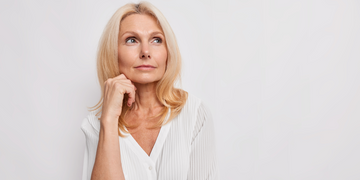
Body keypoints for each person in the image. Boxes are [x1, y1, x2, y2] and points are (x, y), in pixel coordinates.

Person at [80, 1, 218, 180]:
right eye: (131, 40)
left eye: (156, 40)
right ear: (113, 52)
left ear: (168, 52)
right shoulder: (96, 125)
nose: (145, 51)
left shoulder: (195, 115)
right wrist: (109, 120)